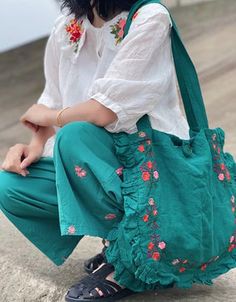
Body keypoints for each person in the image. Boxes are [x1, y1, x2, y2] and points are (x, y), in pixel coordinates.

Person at [0, 0, 190, 301]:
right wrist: (34, 145)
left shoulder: (149, 17)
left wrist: (50, 118)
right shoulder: (67, 26)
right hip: (89, 158)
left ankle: (133, 263)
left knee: (76, 136)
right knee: (12, 185)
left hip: (150, 165)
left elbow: (104, 112)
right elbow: (52, 97)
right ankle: (117, 244)